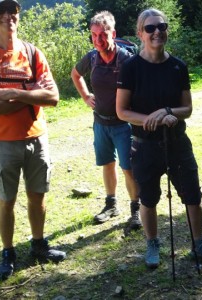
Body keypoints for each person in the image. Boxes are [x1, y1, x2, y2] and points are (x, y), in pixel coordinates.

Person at [116, 8, 202, 269]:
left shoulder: (178, 66)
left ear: (167, 30)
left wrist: (166, 112)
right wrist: (150, 119)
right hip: (144, 145)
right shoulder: (130, 67)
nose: (157, 32)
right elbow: (121, 111)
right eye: (150, 28)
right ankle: (152, 243)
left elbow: (187, 109)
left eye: (161, 26)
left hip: (177, 143)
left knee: (192, 195)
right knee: (148, 198)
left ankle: (199, 245)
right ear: (140, 33)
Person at [0, 0, 66, 279]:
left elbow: (54, 97)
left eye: (13, 10)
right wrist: (31, 92)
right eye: (1, 11)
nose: (8, 16)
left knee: (38, 196)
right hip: (1, 140)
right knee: (6, 199)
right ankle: (8, 252)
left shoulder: (33, 53)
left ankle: (38, 244)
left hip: (37, 137)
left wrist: (12, 93)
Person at [71, 11, 141, 230]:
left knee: (128, 168)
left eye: (103, 35)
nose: (98, 40)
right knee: (107, 164)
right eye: (94, 35)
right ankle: (111, 205)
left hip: (123, 125)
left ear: (113, 33)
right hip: (100, 123)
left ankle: (136, 210)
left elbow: (142, 87)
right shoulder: (92, 57)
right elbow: (75, 74)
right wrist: (85, 96)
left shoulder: (127, 60)